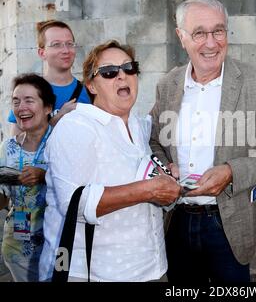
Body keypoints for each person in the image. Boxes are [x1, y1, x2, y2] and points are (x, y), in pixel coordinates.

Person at [150, 0, 256, 282]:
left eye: (218, 30)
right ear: (181, 37)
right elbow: (153, 143)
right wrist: (166, 167)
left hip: (231, 222)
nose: (212, 42)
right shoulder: (168, 85)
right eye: (199, 33)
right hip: (176, 219)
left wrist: (231, 172)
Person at [38, 40, 181, 282]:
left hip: (152, 267)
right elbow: (74, 202)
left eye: (129, 68)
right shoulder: (76, 127)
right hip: (98, 273)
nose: (121, 76)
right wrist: (147, 190)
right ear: (92, 85)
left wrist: (166, 176)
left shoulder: (139, 126)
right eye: (109, 72)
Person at [0, 73, 55, 281]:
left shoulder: (62, 141)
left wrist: (44, 176)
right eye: (16, 101)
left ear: (48, 107)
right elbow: (3, 198)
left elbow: (82, 184)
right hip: (17, 247)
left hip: (57, 244)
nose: (21, 107)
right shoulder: (8, 147)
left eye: (29, 100)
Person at [7, 20, 91, 136]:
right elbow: (16, 146)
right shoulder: (27, 91)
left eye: (70, 44)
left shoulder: (89, 91)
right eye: (56, 44)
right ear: (42, 53)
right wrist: (57, 119)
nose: (66, 51)